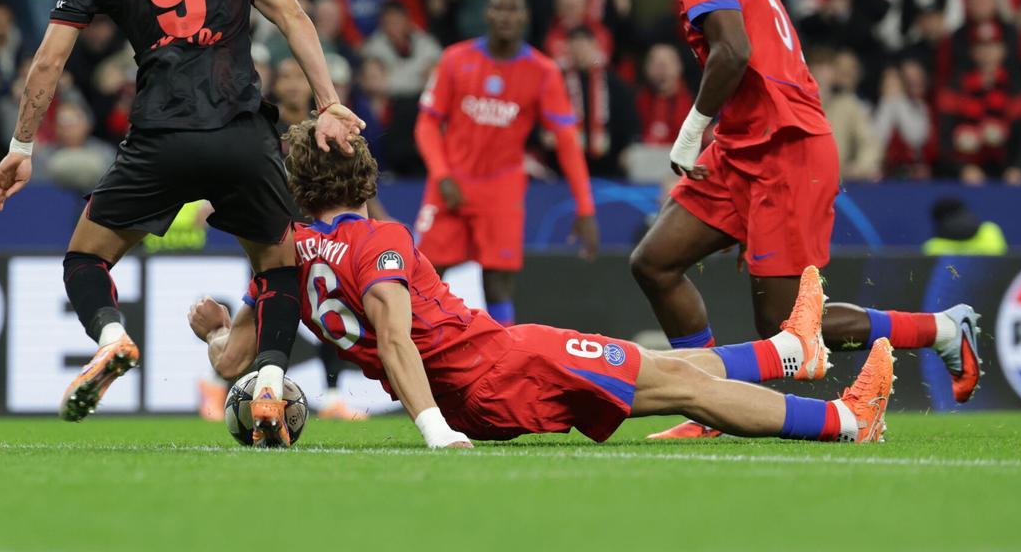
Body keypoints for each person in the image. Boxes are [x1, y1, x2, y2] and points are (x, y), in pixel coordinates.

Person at [187, 120, 897, 448]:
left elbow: (232, 363)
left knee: (665, 368)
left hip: (479, 391)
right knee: (683, 387)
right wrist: (433, 432)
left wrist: (215, 328)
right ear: (360, 174)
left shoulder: (282, 261)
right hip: (498, 364)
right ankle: (843, 421)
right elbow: (397, 337)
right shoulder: (378, 240)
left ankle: (790, 354)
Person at [0, 0, 364, 445]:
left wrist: (22, 145)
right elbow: (291, 15)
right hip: (242, 134)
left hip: (162, 136)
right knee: (278, 268)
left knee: (85, 260)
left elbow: (49, 62)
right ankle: (271, 378)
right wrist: (329, 101)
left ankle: (112, 340)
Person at [633, 0, 981, 439]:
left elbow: (733, 52)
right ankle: (706, 406)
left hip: (785, 147)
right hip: (745, 143)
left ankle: (941, 328)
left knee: (783, 325)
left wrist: (691, 128)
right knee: (655, 261)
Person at [413, 0, 599, 328]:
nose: (505, 16)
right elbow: (426, 124)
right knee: (423, 276)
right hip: (450, 181)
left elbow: (568, 143)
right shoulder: (456, 58)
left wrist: (585, 208)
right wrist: (441, 174)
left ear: (525, 16)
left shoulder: (543, 72)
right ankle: (415, 358)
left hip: (501, 188)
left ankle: (503, 365)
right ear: (487, 14)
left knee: (497, 284)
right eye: (499, 8)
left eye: (513, 9)